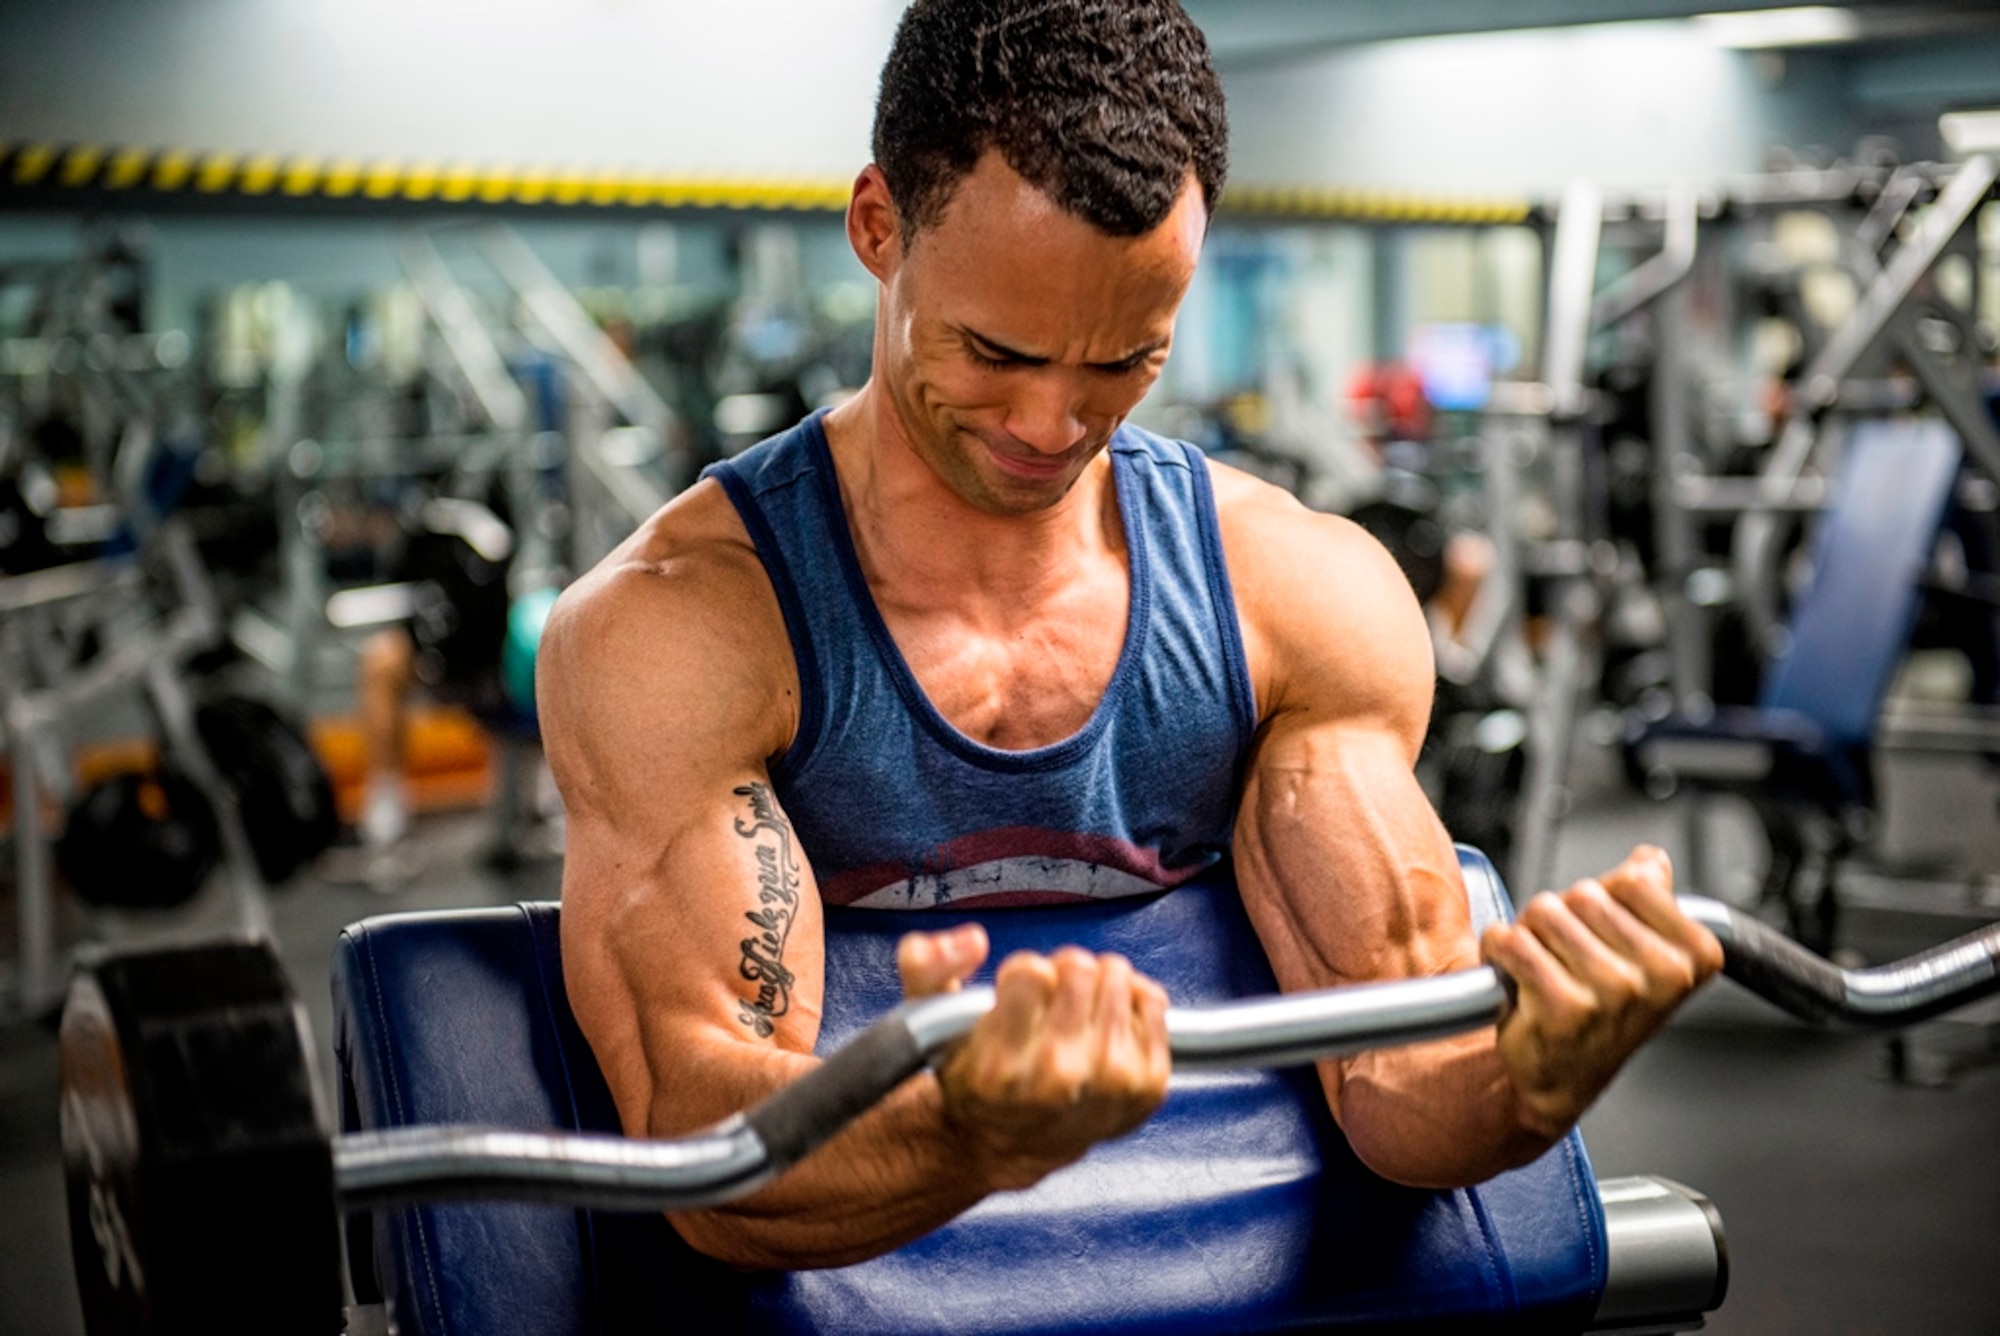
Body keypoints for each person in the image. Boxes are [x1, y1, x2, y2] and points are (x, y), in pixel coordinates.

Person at [539, 0, 1723, 1273]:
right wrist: (966, 1133)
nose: (1051, 425)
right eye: (996, 351)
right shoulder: (677, 626)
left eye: (1124, 362)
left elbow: (1402, 1091)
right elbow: (703, 1152)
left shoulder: (1293, 597)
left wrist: (1532, 1078)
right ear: (878, 228)